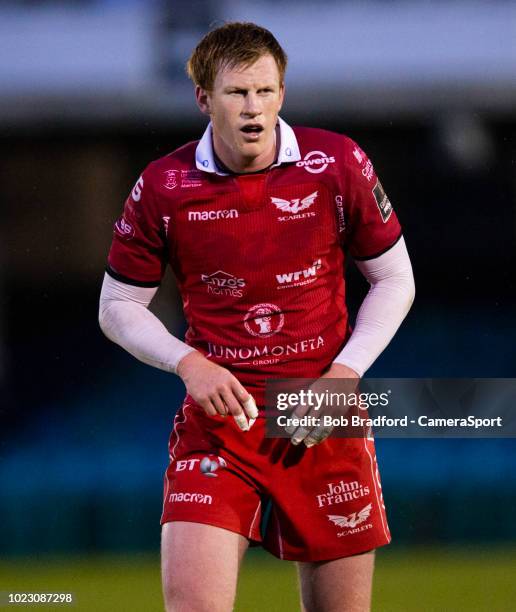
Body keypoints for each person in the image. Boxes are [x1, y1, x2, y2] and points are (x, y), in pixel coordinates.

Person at [99, 21, 415, 612]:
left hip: (319, 417)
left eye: (266, 92)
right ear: (203, 99)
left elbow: (395, 279)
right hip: (220, 425)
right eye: (237, 93)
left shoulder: (338, 164)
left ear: (282, 94)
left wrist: (346, 376)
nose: (254, 108)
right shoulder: (164, 186)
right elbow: (117, 307)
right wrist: (188, 363)